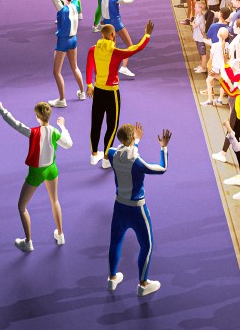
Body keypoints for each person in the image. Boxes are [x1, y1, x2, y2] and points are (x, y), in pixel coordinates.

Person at [0, 97, 70, 252]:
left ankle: (28, 242)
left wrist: (1, 108)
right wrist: (63, 127)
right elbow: (68, 144)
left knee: (21, 207)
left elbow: (14, 123)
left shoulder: (33, 132)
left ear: (37, 117)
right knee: (54, 200)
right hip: (52, 169)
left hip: (36, 173)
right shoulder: (54, 132)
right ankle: (60, 235)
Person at [105, 122, 169, 296]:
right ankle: (143, 284)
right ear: (131, 138)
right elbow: (162, 168)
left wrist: (136, 140)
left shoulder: (111, 153)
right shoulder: (138, 163)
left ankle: (111, 279)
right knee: (147, 245)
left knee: (115, 242)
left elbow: (125, 151)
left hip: (119, 207)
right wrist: (163, 148)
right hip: (137, 210)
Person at [86, 20, 152, 165]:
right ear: (112, 35)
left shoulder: (93, 49)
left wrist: (89, 84)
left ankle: (93, 154)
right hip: (111, 93)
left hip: (98, 90)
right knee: (112, 126)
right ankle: (106, 158)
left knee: (95, 123)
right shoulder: (115, 52)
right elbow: (135, 49)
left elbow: (89, 67)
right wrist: (146, 35)